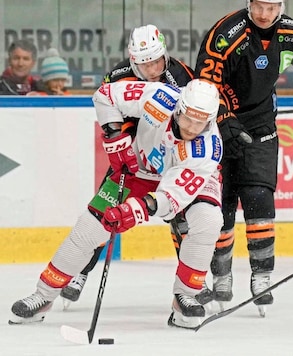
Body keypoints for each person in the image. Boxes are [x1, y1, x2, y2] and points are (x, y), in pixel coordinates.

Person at [9, 79, 224, 329]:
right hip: (139, 171)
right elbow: (105, 95)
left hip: (185, 183)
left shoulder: (207, 149)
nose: (192, 128)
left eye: (201, 123)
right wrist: (115, 136)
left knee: (208, 220)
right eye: (188, 119)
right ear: (178, 109)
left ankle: (185, 295)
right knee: (89, 227)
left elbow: (172, 198)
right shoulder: (159, 96)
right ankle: (43, 296)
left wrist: (137, 210)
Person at [194, 0, 293, 315]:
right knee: (219, 206)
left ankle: (261, 277)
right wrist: (223, 120)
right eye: (258, 6)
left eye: (271, 7)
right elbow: (204, 84)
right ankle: (221, 275)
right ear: (249, 4)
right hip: (218, 125)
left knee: (258, 196)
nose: (264, 14)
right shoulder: (225, 34)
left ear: (281, 6)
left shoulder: (292, 33)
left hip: (262, 125)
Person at [59, 24, 195, 308]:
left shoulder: (182, 75)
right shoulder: (119, 75)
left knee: (184, 218)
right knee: (104, 214)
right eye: (144, 64)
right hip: (131, 157)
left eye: (157, 61)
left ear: (165, 55)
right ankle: (80, 272)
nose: (152, 68)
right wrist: (117, 135)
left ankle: (189, 285)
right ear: (133, 60)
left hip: (168, 156)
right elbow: (107, 105)